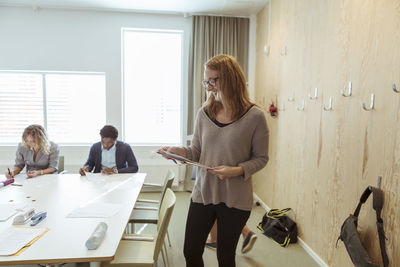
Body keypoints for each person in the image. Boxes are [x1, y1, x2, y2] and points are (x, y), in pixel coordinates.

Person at [159, 54, 269, 267]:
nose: (208, 87)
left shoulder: (255, 117)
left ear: (229, 79)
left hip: (236, 199)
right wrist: (178, 151)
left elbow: (262, 158)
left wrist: (236, 170)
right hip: (203, 194)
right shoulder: (204, 113)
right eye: (206, 81)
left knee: (225, 257)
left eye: (213, 81)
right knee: (191, 252)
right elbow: (196, 152)